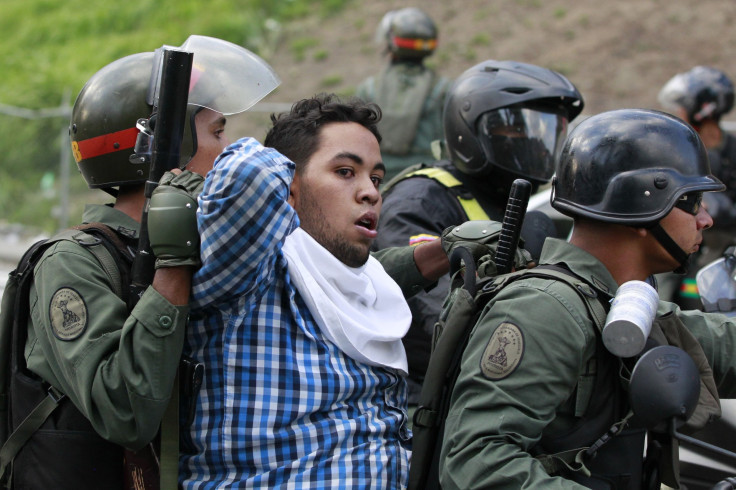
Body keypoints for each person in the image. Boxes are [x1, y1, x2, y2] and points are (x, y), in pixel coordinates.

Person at [7, 36, 279, 488]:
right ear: (168, 149)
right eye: (216, 133)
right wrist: (172, 266)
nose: (229, 150)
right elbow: (124, 411)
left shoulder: (201, 247)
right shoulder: (71, 263)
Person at [179, 93, 465, 488]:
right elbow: (250, 175)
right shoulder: (248, 271)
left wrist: (446, 249)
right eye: (346, 171)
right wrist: (286, 167)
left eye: (376, 178)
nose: (371, 193)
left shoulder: (363, 283)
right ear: (289, 188)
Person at [440, 108, 736, 489]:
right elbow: (475, 464)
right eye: (692, 200)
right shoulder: (544, 310)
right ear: (641, 204)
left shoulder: (613, 303)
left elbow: (719, 344)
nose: (705, 219)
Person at [372, 59, 584, 407]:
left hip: (491, 386)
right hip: (418, 404)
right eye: (519, 129)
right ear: (470, 129)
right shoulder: (421, 201)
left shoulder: (509, 203)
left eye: (547, 131)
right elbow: (440, 321)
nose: (536, 142)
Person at [658, 66, 736, 307]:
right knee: (660, 299)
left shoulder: (732, 150)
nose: (679, 113)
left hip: (723, 257)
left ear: (702, 109)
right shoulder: (677, 152)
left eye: (684, 106)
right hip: (683, 251)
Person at [356, 7, 453, 180]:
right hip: (427, 180)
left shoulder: (369, 88)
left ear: (391, 42)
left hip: (378, 181)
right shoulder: (444, 88)